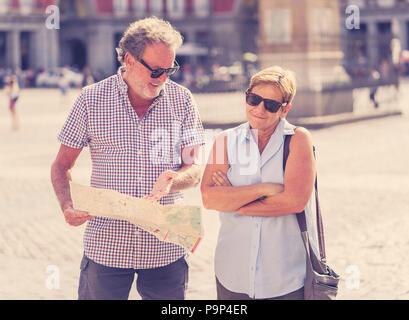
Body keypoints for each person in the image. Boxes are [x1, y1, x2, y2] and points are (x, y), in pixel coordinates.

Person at [50, 16, 205, 300]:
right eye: (156, 70)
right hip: (106, 247)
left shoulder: (182, 101)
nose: (163, 79)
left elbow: (194, 167)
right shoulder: (90, 99)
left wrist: (175, 179)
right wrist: (67, 205)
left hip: (165, 248)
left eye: (170, 70)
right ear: (129, 61)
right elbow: (62, 166)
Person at [200, 66, 318, 300]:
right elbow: (209, 198)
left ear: (285, 110)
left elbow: (294, 202)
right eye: (254, 99)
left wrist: (233, 201)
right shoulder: (224, 141)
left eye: (271, 105)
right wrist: (264, 189)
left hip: (284, 279)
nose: (259, 109)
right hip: (232, 274)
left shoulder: (298, 140)